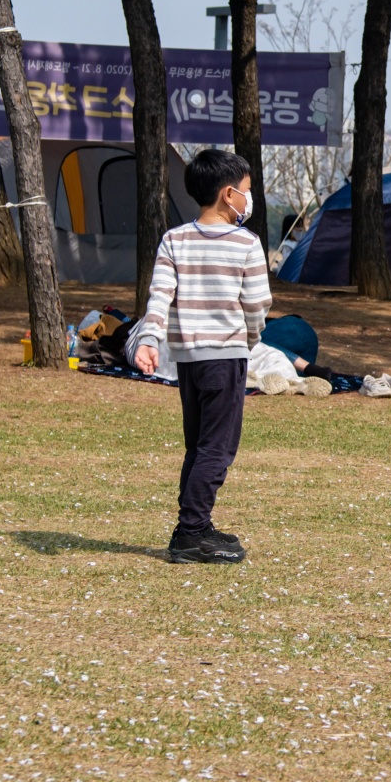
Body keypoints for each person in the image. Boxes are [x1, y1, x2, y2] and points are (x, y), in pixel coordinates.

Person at [133, 149, 272, 565]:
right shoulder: (247, 243)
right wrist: (250, 338)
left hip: (189, 361)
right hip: (225, 358)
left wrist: (149, 339)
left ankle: (195, 525)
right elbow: (257, 304)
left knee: (198, 445)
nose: (249, 198)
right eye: (247, 190)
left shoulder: (174, 240)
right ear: (229, 194)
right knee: (218, 448)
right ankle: (191, 533)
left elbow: (160, 296)